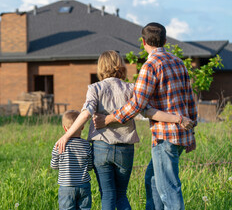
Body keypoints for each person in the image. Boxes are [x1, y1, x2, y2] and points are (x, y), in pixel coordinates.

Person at [55, 50, 193, 210]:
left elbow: (86, 113)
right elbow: (149, 111)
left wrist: (67, 135)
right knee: (121, 194)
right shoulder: (131, 88)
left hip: (101, 148)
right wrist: (178, 119)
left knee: (107, 194)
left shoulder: (95, 88)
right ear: (120, 66)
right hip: (125, 150)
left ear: (101, 67)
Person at [93, 23, 197, 210]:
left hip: (164, 136)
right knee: (153, 181)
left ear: (143, 42)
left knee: (169, 190)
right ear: (165, 41)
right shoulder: (178, 62)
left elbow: (137, 104)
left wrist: (108, 119)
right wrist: (192, 135)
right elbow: (190, 100)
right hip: (181, 134)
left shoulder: (150, 66)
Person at [51, 110, 93, 210]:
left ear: (65, 128)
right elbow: (90, 166)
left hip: (66, 187)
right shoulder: (87, 145)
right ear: (82, 127)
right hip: (84, 185)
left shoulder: (59, 144)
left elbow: (54, 165)